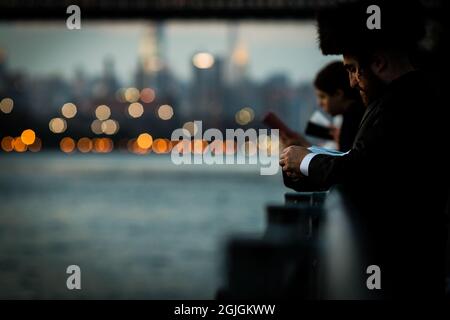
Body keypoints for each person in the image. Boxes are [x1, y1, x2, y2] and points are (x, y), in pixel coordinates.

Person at [279, 0, 449, 298]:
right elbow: (364, 163)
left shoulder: (401, 106)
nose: (352, 81)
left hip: (401, 272)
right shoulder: (405, 97)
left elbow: (361, 170)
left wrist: (303, 161)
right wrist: (300, 164)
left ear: (379, 63)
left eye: (354, 69)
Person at [281, 61, 365, 152]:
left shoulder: (352, 119)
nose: (320, 103)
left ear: (338, 94)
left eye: (323, 97)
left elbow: (342, 163)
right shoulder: (353, 114)